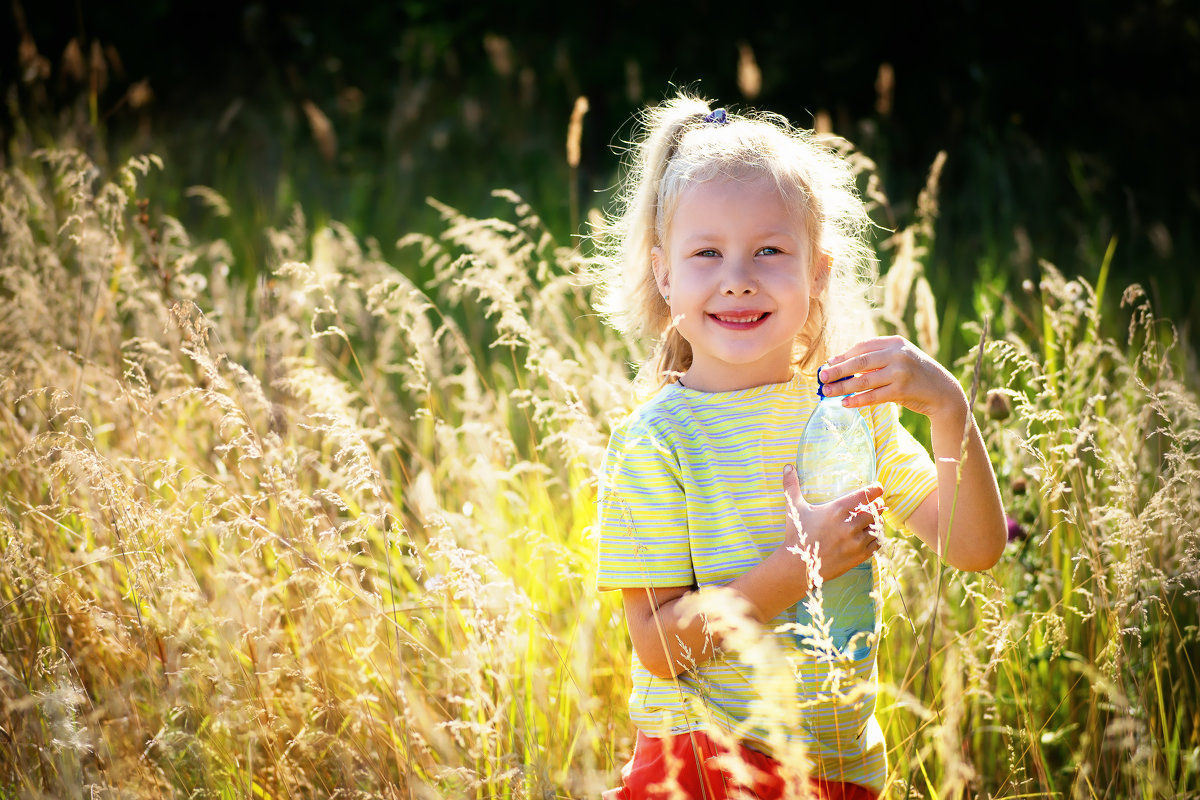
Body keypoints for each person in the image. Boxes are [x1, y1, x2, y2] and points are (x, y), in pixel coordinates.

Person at [593, 94, 1007, 799]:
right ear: (665, 275)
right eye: (706, 253)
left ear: (818, 270)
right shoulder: (655, 440)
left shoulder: (848, 410)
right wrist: (801, 565)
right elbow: (659, 647)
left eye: (770, 250)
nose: (738, 276)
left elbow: (973, 548)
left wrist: (947, 404)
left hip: (838, 765)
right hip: (700, 763)